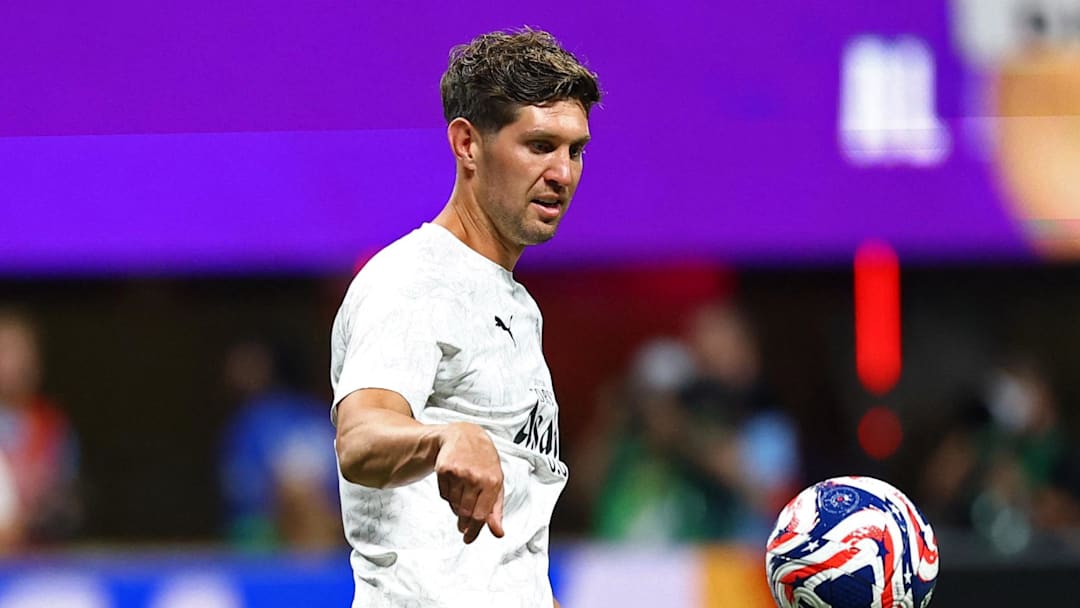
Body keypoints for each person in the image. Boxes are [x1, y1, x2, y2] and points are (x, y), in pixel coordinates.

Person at [329, 28, 600, 607]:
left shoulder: (513, 304)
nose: (563, 172)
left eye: (574, 149)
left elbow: (510, 552)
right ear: (467, 144)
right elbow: (359, 437)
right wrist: (446, 438)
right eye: (539, 145)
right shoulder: (413, 280)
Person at [218, 338, 342, 551]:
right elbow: (239, 491)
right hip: (264, 529)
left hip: (330, 525)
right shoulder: (248, 423)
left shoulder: (318, 416)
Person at [0, 309, 81, 551]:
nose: (14, 364)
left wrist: (30, 520)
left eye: (23, 352)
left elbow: (67, 506)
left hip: (37, 569)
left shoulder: (53, 426)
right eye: (5, 352)